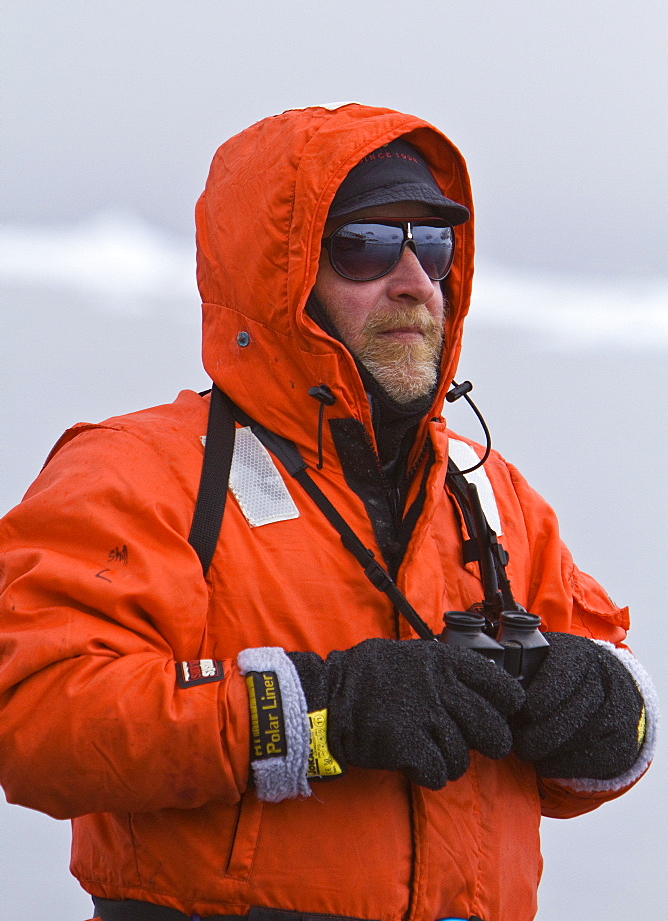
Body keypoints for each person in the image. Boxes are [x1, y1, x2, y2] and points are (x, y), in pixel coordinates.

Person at [0, 103, 657, 921]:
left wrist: (606, 706)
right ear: (281, 278)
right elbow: (37, 719)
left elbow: (607, 696)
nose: (415, 281)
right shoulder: (145, 473)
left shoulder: (485, 491)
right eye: (367, 245)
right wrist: (322, 710)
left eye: (434, 245)